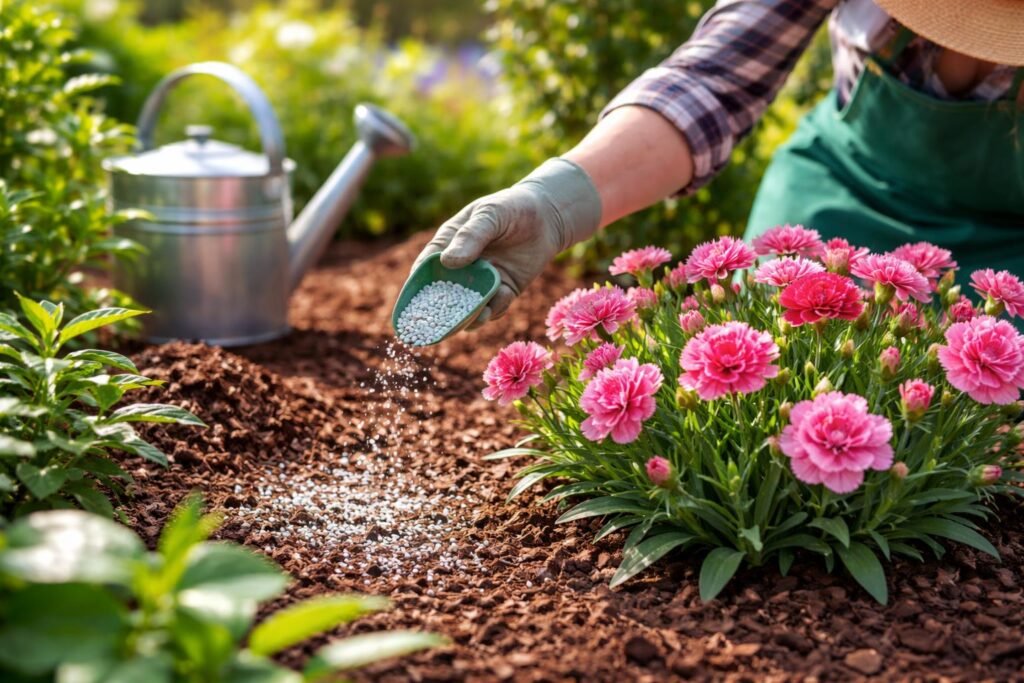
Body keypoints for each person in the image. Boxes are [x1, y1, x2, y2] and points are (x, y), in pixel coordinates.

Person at [411, 0, 1024, 329]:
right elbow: (712, 83)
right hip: (838, 203)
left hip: (1010, 255)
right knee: (764, 369)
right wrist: (553, 203)